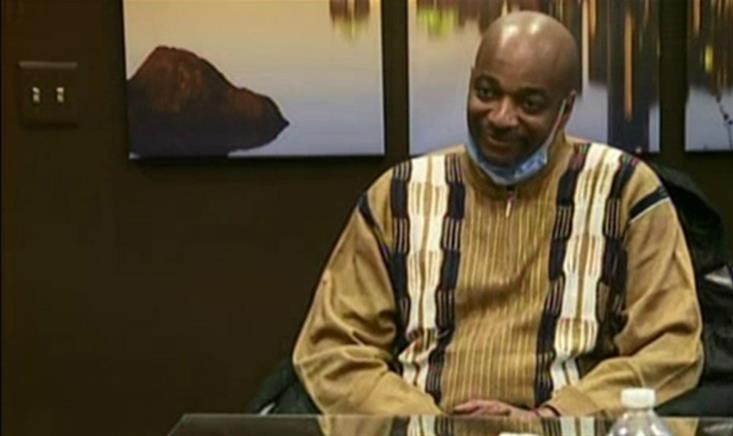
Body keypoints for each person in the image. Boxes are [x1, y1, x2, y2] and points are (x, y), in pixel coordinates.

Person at [293, 11, 702, 418]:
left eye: (529, 103)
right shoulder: (398, 195)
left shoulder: (626, 192)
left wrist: (552, 418)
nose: (501, 118)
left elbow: (671, 347)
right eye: (486, 92)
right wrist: (433, 425)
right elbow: (332, 351)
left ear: (565, 110)